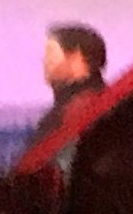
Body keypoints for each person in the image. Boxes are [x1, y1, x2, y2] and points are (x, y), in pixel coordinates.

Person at [26, 23, 108, 153]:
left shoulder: (78, 112)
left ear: (76, 57)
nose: (45, 61)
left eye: (51, 54)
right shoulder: (110, 105)